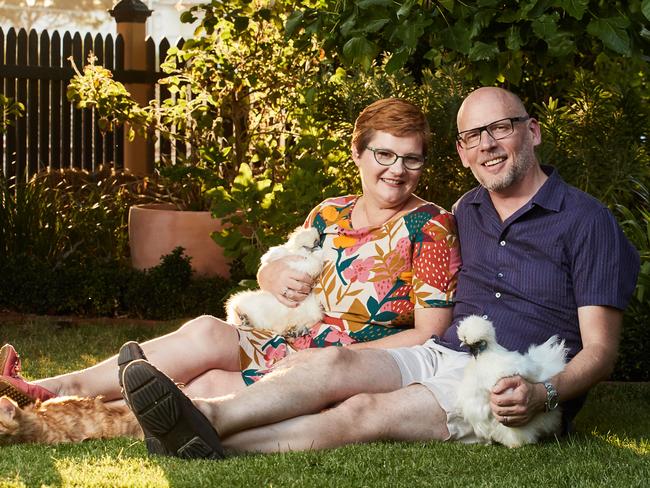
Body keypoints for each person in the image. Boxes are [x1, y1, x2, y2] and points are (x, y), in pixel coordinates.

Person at [117, 86, 640, 458]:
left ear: (533, 131)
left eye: (500, 127)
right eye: (473, 135)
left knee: (364, 412)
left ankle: (209, 438)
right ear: (461, 152)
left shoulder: (586, 221)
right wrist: (274, 270)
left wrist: (543, 395)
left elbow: (600, 350)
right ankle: (207, 417)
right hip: (443, 353)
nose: (488, 144)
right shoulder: (466, 212)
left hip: (509, 382)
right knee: (333, 364)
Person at [0, 98, 460, 409]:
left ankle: (61, 411)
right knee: (204, 330)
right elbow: (277, 271)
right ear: (358, 153)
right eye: (384, 155)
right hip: (280, 339)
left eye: (411, 158)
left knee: (202, 390)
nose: (397, 171)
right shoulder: (328, 213)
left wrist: (328, 362)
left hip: (342, 365)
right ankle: (58, 388)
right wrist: (271, 276)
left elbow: (429, 335)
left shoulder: (431, 226)